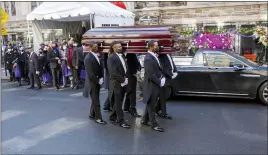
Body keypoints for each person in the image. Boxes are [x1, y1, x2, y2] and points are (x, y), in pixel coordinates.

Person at [141, 40, 165, 132]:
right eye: (156, 46)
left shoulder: (153, 56)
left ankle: (144, 120)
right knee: (151, 105)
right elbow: (151, 74)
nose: (158, 47)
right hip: (151, 85)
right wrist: (159, 82)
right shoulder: (148, 58)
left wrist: (162, 78)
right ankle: (154, 124)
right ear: (150, 47)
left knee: (150, 103)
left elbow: (157, 70)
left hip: (155, 84)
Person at [107, 41, 130, 129]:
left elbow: (125, 67)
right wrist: (123, 80)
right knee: (118, 103)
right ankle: (121, 121)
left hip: (123, 81)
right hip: (117, 83)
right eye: (119, 47)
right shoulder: (111, 58)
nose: (121, 48)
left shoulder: (122, 55)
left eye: (121, 46)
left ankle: (113, 116)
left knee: (119, 101)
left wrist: (126, 77)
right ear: (114, 48)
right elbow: (113, 73)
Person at [83, 41, 106, 124]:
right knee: (96, 101)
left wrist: (101, 78)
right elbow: (90, 73)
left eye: (97, 46)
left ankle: (92, 114)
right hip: (92, 83)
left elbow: (99, 68)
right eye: (95, 46)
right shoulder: (88, 58)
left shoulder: (96, 55)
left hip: (96, 81)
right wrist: (98, 81)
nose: (96, 48)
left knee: (95, 99)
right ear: (90, 47)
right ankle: (98, 118)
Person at [156, 53, 178, 119]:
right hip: (164, 77)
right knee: (163, 95)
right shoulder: (161, 56)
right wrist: (171, 75)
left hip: (169, 77)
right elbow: (164, 68)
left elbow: (172, 63)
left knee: (167, 94)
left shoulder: (169, 54)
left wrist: (175, 71)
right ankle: (163, 113)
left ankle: (157, 109)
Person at [123, 52, 142, 117]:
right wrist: (136, 72)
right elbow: (130, 65)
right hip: (131, 75)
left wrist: (138, 69)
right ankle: (132, 110)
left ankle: (126, 107)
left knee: (130, 91)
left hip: (131, 75)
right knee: (132, 92)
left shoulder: (131, 54)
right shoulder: (130, 54)